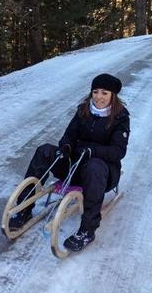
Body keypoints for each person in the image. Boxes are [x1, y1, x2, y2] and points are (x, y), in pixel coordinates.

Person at [10, 73, 130, 252]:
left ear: (113, 95)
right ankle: (24, 208)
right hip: (74, 166)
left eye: (105, 93)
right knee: (45, 150)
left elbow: (118, 151)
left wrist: (94, 151)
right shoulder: (84, 110)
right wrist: (65, 146)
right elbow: (69, 135)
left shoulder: (120, 117)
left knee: (94, 166)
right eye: (95, 92)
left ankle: (87, 230)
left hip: (102, 173)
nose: (99, 97)